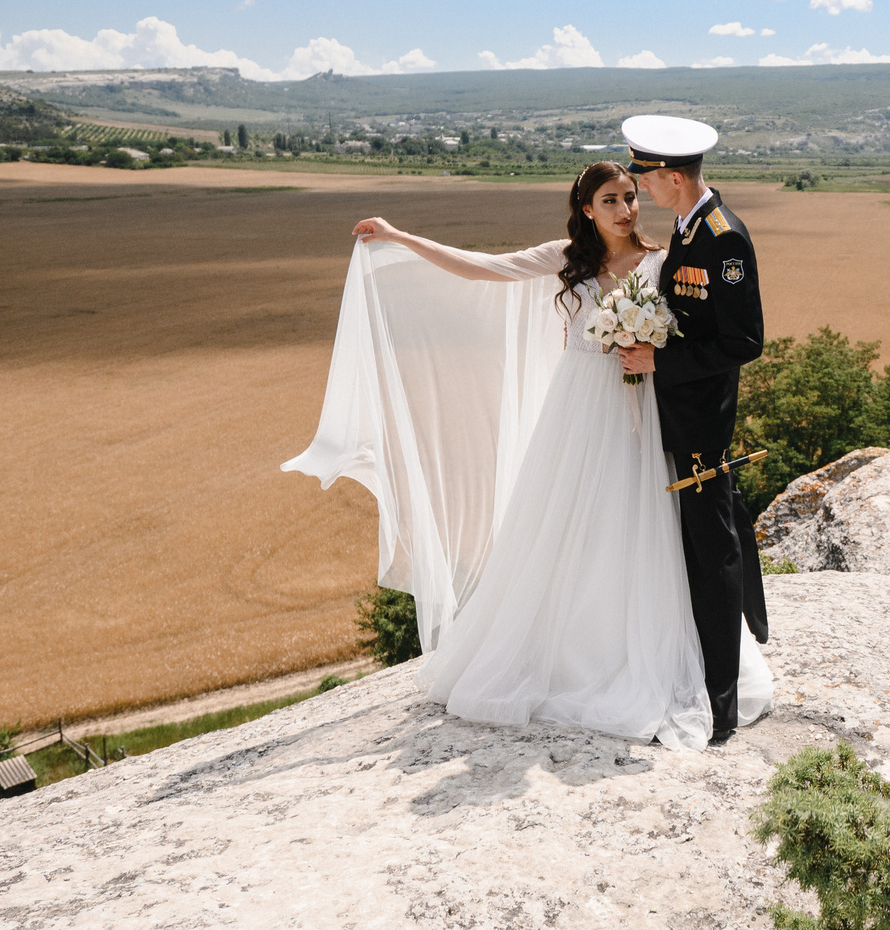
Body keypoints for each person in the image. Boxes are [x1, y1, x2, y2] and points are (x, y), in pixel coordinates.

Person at [282, 159, 771, 749]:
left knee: (643, 529)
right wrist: (398, 236)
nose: (624, 209)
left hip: (643, 412)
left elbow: (706, 335)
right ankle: (574, 654)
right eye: (609, 201)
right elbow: (483, 269)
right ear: (586, 210)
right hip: (580, 409)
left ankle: (654, 654)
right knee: (569, 525)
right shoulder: (568, 258)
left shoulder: (664, 260)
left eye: (629, 197)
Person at [617, 115, 771, 743]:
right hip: (679, 411)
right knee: (716, 528)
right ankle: (749, 624)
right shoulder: (685, 229)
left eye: (645, 178)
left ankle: (722, 705)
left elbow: (745, 341)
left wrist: (661, 360)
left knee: (712, 554)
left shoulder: (723, 238)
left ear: (673, 178)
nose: (639, 190)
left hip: (703, 418)